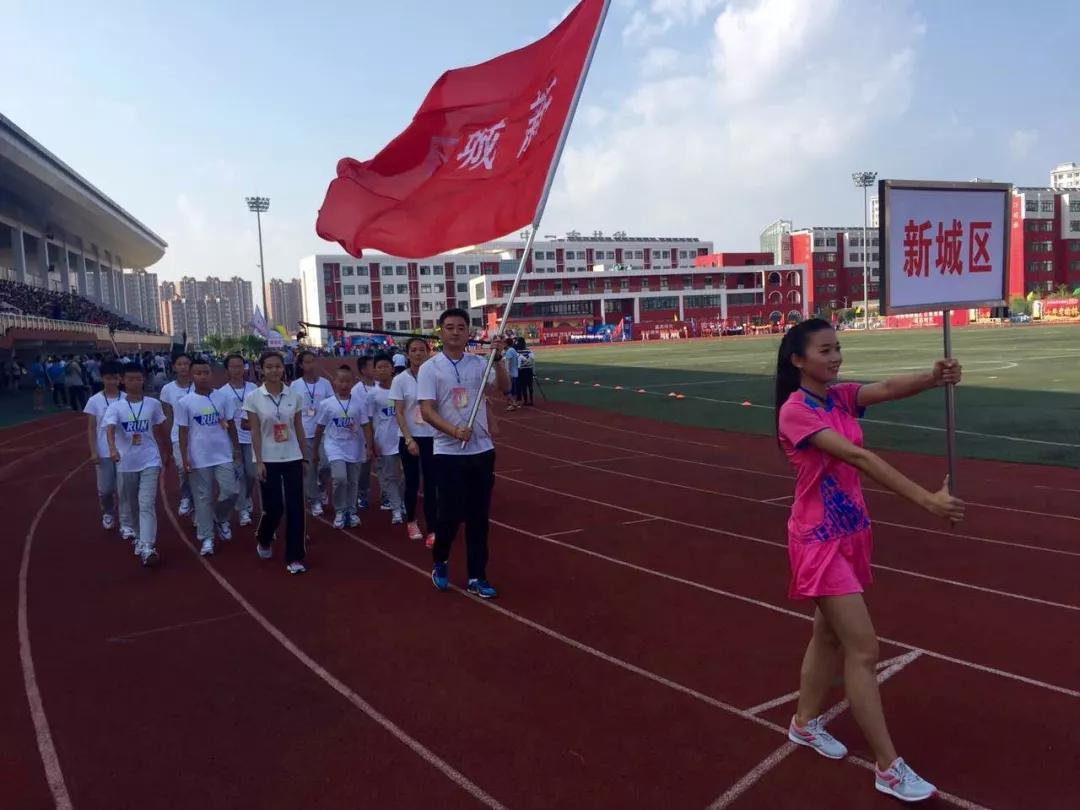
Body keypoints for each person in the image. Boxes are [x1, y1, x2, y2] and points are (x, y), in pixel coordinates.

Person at [774, 318, 965, 803]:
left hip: (851, 535)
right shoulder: (796, 412)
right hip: (818, 541)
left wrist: (932, 375)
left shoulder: (838, 397)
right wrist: (927, 501)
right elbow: (860, 460)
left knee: (827, 633)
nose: (835, 357)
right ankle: (889, 767)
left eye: (838, 348)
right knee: (864, 649)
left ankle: (802, 723)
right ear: (798, 359)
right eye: (824, 350)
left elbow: (885, 389)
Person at [417, 308, 509, 598]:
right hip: (448, 453)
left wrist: (500, 360)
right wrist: (454, 431)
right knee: (450, 515)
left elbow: (504, 389)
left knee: (479, 517)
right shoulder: (430, 369)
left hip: (481, 450)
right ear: (441, 332)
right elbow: (427, 410)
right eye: (449, 327)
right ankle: (441, 560)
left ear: (468, 332)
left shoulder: (478, 363)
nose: (455, 332)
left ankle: (477, 576)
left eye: (460, 327)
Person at [245, 351, 309, 574]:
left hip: (292, 455)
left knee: (295, 507)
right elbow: (255, 431)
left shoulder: (295, 395)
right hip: (268, 458)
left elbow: (298, 427)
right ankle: (264, 538)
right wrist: (259, 460)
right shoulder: (254, 397)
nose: (274, 370)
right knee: (274, 507)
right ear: (261, 369)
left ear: (284, 368)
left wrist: (305, 455)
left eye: (278, 366)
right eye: (269, 367)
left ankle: (295, 557)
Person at [104, 364, 169, 567]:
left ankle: (148, 546)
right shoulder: (116, 407)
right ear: (123, 380)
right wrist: (113, 449)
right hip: (126, 463)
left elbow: (160, 429)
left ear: (144, 380)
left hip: (150, 460)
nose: (135, 382)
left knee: (146, 503)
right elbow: (110, 429)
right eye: (130, 379)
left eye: (138, 379)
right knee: (132, 504)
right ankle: (140, 538)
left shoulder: (152, 404)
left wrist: (167, 451)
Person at [178, 358, 241, 557]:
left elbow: (230, 424)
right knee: (202, 498)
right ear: (191, 375)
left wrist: (236, 449)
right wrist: (185, 456)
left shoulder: (223, 398)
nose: (202, 377)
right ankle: (206, 537)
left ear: (211, 374)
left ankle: (221, 518)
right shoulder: (185, 402)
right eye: (198, 373)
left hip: (222, 454)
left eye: (206, 372)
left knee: (231, 491)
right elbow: (183, 432)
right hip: (199, 456)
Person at [313, 365, 373, 530]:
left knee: (353, 481)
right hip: (335, 447)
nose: (344, 384)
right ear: (335, 382)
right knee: (340, 479)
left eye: (348, 381)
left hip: (355, 446)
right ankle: (340, 510)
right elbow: (319, 427)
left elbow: (366, 425)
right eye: (341, 381)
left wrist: (369, 446)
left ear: (352, 382)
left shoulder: (359, 403)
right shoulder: (327, 404)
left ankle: (351, 511)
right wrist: (315, 450)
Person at [391, 337, 437, 546]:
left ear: (428, 352)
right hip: (410, 437)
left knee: (432, 484)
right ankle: (411, 521)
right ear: (407, 354)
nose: (418, 354)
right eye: (414, 350)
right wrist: (408, 438)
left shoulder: (435, 376)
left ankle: (433, 528)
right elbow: (399, 412)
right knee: (411, 483)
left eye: (422, 350)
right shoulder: (400, 380)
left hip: (432, 437)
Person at [83, 360, 129, 534]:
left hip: (124, 451)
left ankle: (126, 521)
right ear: (102, 379)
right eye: (109, 378)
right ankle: (108, 511)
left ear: (120, 380)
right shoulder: (94, 401)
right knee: (106, 489)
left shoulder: (126, 399)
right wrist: (93, 451)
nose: (112, 382)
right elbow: (91, 429)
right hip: (103, 452)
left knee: (124, 488)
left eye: (116, 378)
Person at [290, 350, 334, 516]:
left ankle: (322, 488)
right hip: (305, 431)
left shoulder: (325, 383)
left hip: (323, 431)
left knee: (326, 464)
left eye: (313, 361)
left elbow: (331, 403)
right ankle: (314, 499)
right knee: (310, 468)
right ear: (301, 365)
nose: (310, 365)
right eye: (307, 362)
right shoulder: (295, 385)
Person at [219, 353, 258, 526]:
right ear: (227, 369)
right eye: (233, 366)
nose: (237, 369)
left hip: (251, 438)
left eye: (240, 366)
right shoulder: (222, 393)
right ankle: (243, 510)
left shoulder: (253, 388)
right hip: (231, 439)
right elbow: (223, 419)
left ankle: (247, 496)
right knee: (239, 474)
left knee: (252, 473)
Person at [368, 353, 406, 524]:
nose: (383, 370)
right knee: (391, 476)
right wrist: (371, 444)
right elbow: (368, 421)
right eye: (379, 367)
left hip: (405, 437)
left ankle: (401, 500)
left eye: (386, 366)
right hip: (385, 441)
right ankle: (396, 508)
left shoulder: (401, 387)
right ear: (375, 371)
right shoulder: (372, 395)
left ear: (392, 368)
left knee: (407, 474)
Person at [159, 354, 195, 517]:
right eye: (179, 364)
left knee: (197, 470)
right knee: (183, 467)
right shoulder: (168, 389)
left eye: (186, 364)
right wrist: (167, 441)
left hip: (198, 435)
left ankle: (197, 505)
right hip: (177, 435)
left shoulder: (198, 385)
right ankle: (187, 496)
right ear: (173, 367)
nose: (183, 367)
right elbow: (168, 415)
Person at [351, 356, 379, 511]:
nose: (375, 369)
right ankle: (361, 493)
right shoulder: (356, 391)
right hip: (364, 433)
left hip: (381, 430)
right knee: (364, 466)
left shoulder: (381, 386)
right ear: (363, 370)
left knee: (385, 465)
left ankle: (387, 496)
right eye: (372, 366)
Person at [516, 337, 535, 406]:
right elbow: (531, 360)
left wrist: (522, 365)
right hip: (529, 369)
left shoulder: (517, 351)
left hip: (521, 370)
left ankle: (526, 400)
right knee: (530, 385)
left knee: (523, 386)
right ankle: (531, 400)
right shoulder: (528, 351)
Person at [502, 339, 520, 411]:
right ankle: (512, 403)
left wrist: (507, 373)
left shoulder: (509, 351)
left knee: (507, 390)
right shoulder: (512, 350)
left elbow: (507, 362)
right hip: (514, 373)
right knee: (512, 390)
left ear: (507, 344)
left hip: (510, 374)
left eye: (504, 343)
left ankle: (513, 403)